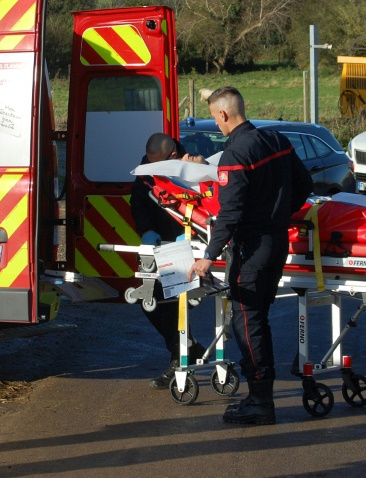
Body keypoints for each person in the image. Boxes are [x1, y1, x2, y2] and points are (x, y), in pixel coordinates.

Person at [188, 87, 313, 425]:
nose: (216, 125)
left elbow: (230, 212)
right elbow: (304, 184)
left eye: (215, 118)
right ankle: (259, 396)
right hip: (276, 241)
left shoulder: (235, 155)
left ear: (224, 116)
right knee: (256, 318)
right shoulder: (276, 139)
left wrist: (208, 255)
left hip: (251, 249)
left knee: (247, 323)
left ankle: (261, 401)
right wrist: (280, 213)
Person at [131, 132, 206, 390]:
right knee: (147, 299)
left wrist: (190, 236)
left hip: (186, 244)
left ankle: (179, 359)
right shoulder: (146, 172)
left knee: (177, 301)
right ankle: (186, 348)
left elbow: (206, 204)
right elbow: (139, 204)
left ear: (172, 155)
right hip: (158, 243)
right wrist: (146, 230)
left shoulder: (192, 168)